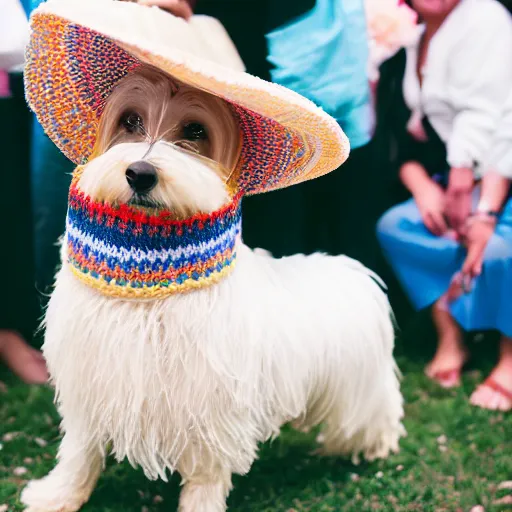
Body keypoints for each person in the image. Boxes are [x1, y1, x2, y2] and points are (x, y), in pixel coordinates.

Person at [376, 0, 512, 410]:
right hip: (462, 176)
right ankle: (449, 322)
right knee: (398, 226)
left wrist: (482, 209)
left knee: (499, 249)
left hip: (497, 171)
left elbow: (498, 120)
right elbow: (398, 129)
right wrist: (424, 186)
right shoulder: (412, 41)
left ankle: (508, 357)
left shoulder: (486, 18)